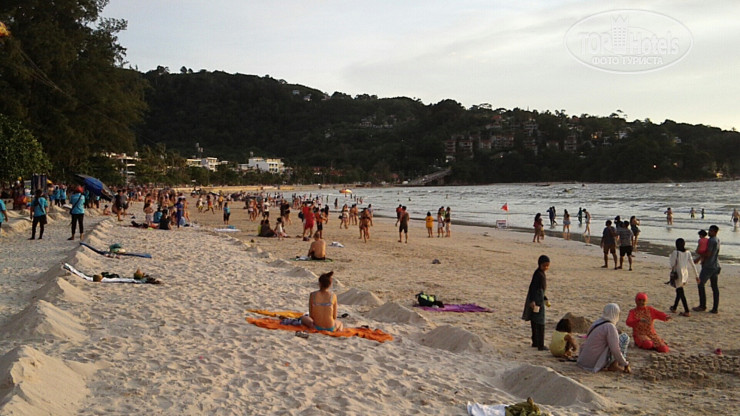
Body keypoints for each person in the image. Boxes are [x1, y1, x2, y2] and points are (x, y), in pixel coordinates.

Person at [577, 303, 631, 373]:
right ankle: (614, 364)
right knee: (624, 337)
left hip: (583, 361)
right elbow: (615, 349)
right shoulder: (610, 327)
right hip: (593, 364)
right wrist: (625, 364)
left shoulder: (597, 323)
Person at [522, 255, 550, 351]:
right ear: (540, 264)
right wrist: (533, 300)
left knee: (534, 320)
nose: (546, 267)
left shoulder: (541, 273)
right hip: (536, 301)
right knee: (540, 321)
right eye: (544, 265)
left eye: (547, 266)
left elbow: (541, 289)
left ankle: (535, 342)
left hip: (539, 298)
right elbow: (533, 288)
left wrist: (545, 298)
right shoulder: (538, 274)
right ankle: (540, 345)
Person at [693, 225, 721, 314]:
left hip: (709, 266)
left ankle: (702, 305)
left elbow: (708, 254)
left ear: (715, 232)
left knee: (700, 284)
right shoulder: (717, 240)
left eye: (711, 231)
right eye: (709, 230)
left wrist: (698, 257)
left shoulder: (711, 241)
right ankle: (715, 308)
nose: (709, 232)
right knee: (714, 287)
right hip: (715, 265)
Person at [669, 238, 698, 316]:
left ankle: (687, 310)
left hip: (678, 274)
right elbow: (693, 264)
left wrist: (670, 257)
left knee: (680, 292)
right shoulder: (688, 252)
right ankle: (674, 307)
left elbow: (672, 264)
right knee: (679, 290)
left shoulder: (675, 253)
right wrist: (696, 276)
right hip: (685, 274)